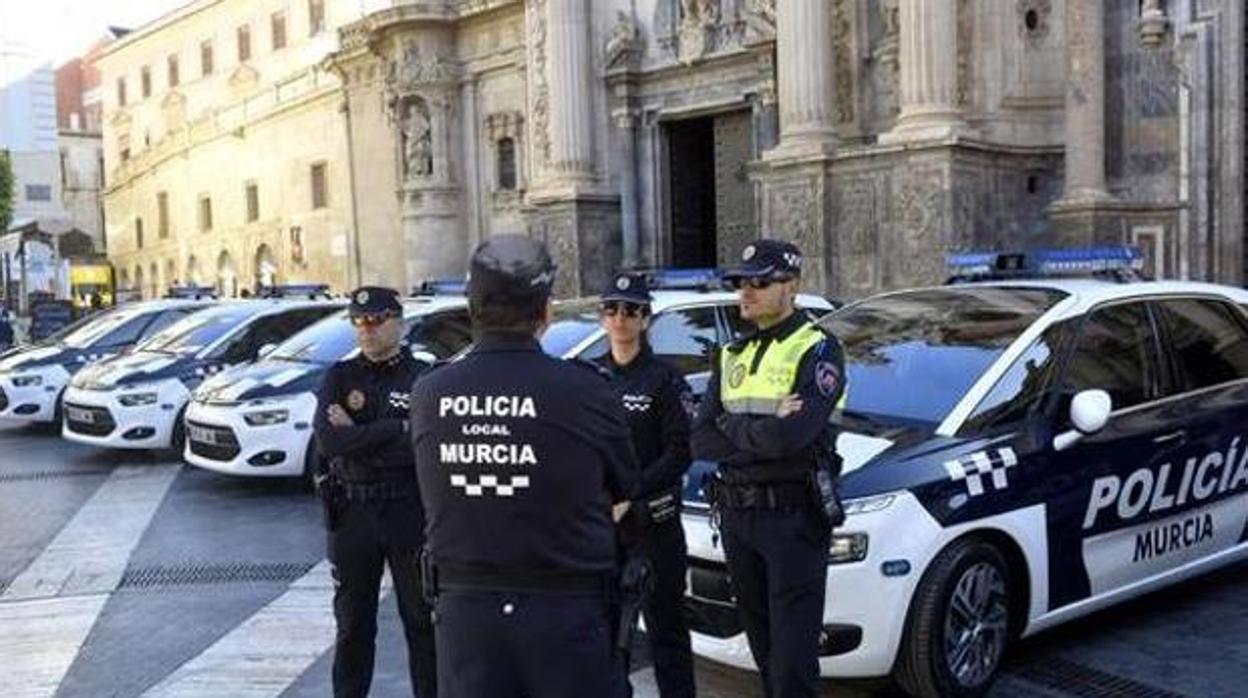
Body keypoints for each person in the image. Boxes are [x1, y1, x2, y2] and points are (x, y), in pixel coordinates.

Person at [410, 234, 639, 698]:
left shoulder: (430, 393)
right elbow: (625, 486)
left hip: (466, 620)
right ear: (546, 312)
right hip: (565, 616)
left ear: (472, 309)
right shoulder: (586, 391)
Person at [691, 239, 846, 698]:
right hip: (737, 516)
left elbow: (792, 438)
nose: (747, 292)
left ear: (791, 286)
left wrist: (730, 425)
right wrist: (759, 426)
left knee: (793, 663)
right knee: (763, 651)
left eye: (761, 283)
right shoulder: (730, 354)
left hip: (792, 518)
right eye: (742, 283)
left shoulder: (817, 348)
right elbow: (701, 439)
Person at [313, 286, 436, 698]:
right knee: (352, 624)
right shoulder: (340, 376)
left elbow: (424, 444)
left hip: (407, 510)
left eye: (376, 320)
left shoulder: (422, 377)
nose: (366, 329)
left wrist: (361, 434)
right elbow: (330, 442)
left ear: (398, 323)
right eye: (359, 321)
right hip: (353, 512)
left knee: (421, 620)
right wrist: (393, 430)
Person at [595, 272, 696, 698]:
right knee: (606, 636)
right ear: (602, 318)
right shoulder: (589, 377)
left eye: (631, 310)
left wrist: (629, 494)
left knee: (666, 632)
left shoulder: (665, 379)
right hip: (601, 527)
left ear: (645, 319)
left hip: (653, 524)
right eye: (612, 309)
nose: (621, 318)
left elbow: (679, 453)